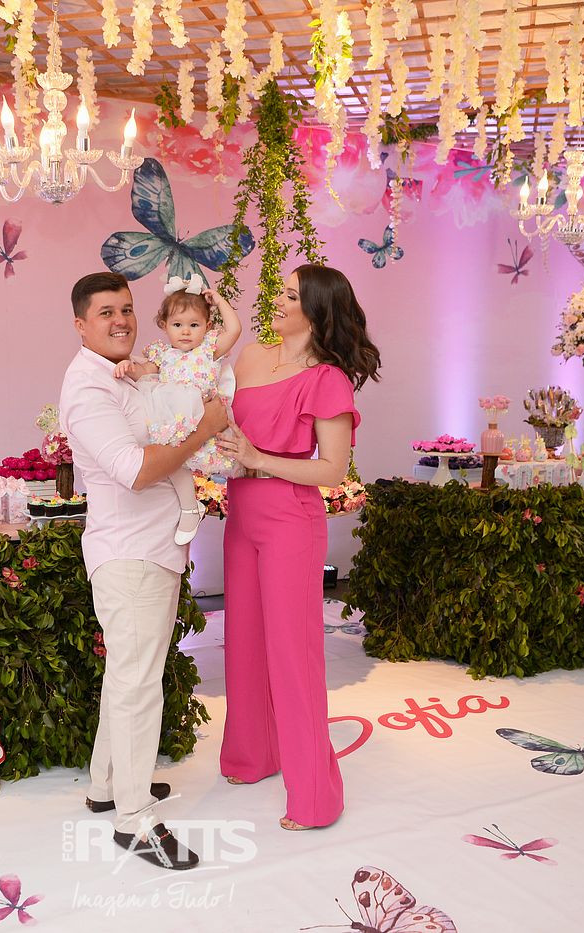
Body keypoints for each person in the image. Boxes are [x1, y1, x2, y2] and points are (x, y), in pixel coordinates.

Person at [58, 271, 230, 870]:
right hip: (130, 554)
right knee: (137, 686)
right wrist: (206, 430)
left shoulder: (124, 374)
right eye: (106, 312)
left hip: (151, 547)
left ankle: (107, 785)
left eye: (127, 309)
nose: (121, 321)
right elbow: (134, 471)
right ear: (80, 324)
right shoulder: (88, 389)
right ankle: (133, 819)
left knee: (129, 676)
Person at [215, 264, 381, 831]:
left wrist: (259, 459)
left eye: (289, 295)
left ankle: (315, 797)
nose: (277, 301)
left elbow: (332, 470)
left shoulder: (327, 379)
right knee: (243, 642)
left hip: (291, 518)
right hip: (241, 512)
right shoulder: (250, 358)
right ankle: (252, 757)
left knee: (293, 655)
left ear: (314, 310)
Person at [113, 272, 243, 545]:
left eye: (194, 325)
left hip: (205, 419)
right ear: (164, 325)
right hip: (177, 423)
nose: (185, 331)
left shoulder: (208, 350)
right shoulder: (163, 354)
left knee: (201, 468)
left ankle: (199, 505)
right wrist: (128, 367)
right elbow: (144, 372)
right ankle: (188, 507)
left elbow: (234, 330)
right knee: (173, 462)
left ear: (207, 326)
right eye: (177, 324)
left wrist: (219, 300)